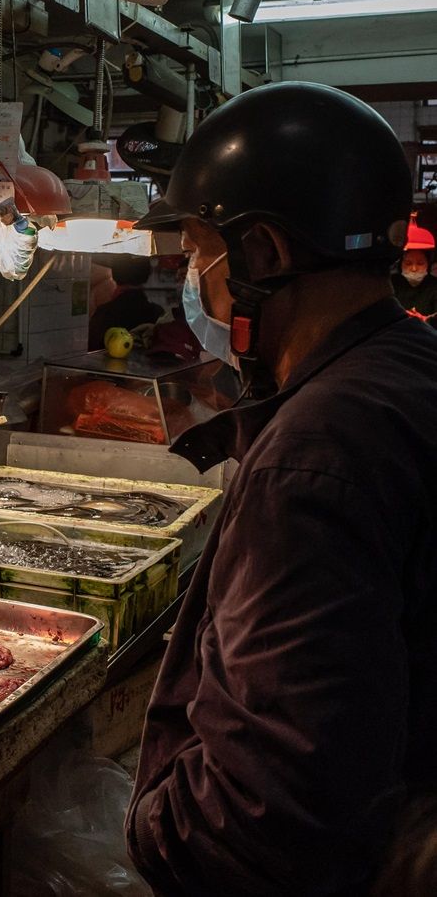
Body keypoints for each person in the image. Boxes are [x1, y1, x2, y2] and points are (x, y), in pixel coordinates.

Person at [124, 82, 437, 896]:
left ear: (261, 253)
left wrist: (158, 836)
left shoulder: (317, 455)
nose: (194, 279)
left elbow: (269, 815)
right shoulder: (410, 367)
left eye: (199, 252)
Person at [87, 255, 163, 350]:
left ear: (114, 275)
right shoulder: (158, 313)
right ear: (148, 274)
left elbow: (91, 346)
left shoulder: (105, 313)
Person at [392, 216, 437, 321]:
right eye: (408, 263)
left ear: (428, 264)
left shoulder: (434, 285)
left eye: (420, 263)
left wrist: (425, 319)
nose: (414, 268)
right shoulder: (391, 284)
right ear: (400, 264)